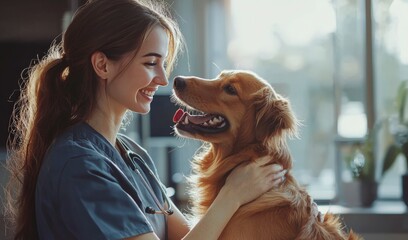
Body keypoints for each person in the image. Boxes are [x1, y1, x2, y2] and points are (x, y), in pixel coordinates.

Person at [5, 0, 287, 239]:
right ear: (102, 64)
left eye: (163, 64)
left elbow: (191, 234)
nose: (163, 79)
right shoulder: (80, 166)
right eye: (151, 63)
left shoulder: (131, 154)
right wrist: (233, 195)